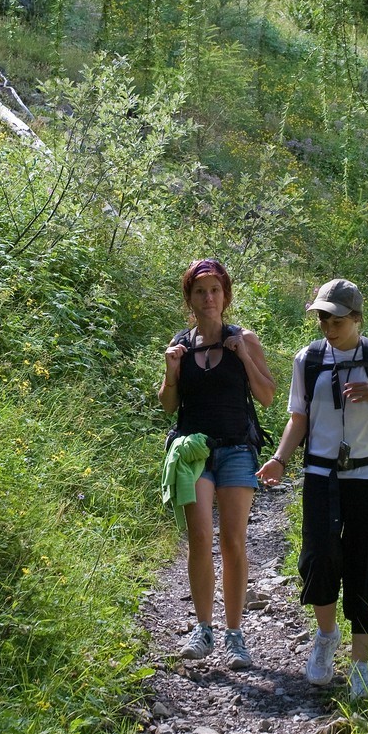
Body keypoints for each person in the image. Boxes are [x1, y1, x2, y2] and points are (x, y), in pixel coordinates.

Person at [257, 277, 368, 698]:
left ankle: (361, 665)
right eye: (322, 317)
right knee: (318, 559)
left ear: (357, 319)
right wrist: (280, 458)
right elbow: (298, 417)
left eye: (336, 319)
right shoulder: (308, 359)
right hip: (321, 476)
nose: (327, 326)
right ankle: (326, 637)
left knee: (364, 566)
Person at [159, 257, 276, 669]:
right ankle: (203, 628)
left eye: (215, 290)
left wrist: (243, 355)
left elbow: (267, 396)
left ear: (225, 296)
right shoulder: (181, 343)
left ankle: (234, 633)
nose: (208, 298)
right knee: (199, 539)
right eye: (199, 291)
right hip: (194, 450)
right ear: (189, 298)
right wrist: (171, 373)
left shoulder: (243, 337)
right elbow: (169, 404)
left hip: (237, 449)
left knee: (232, 541)